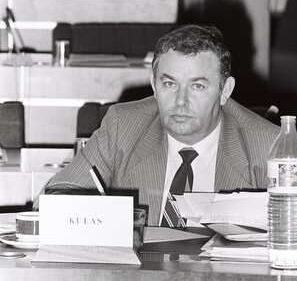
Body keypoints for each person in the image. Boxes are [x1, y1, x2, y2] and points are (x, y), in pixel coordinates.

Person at [42, 24, 279, 226]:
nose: (181, 101)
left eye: (197, 86)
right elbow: (58, 195)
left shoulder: (268, 146)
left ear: (225, 90)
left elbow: (290, 233)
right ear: (154, 85)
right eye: (169, 84)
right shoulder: (123, 126)